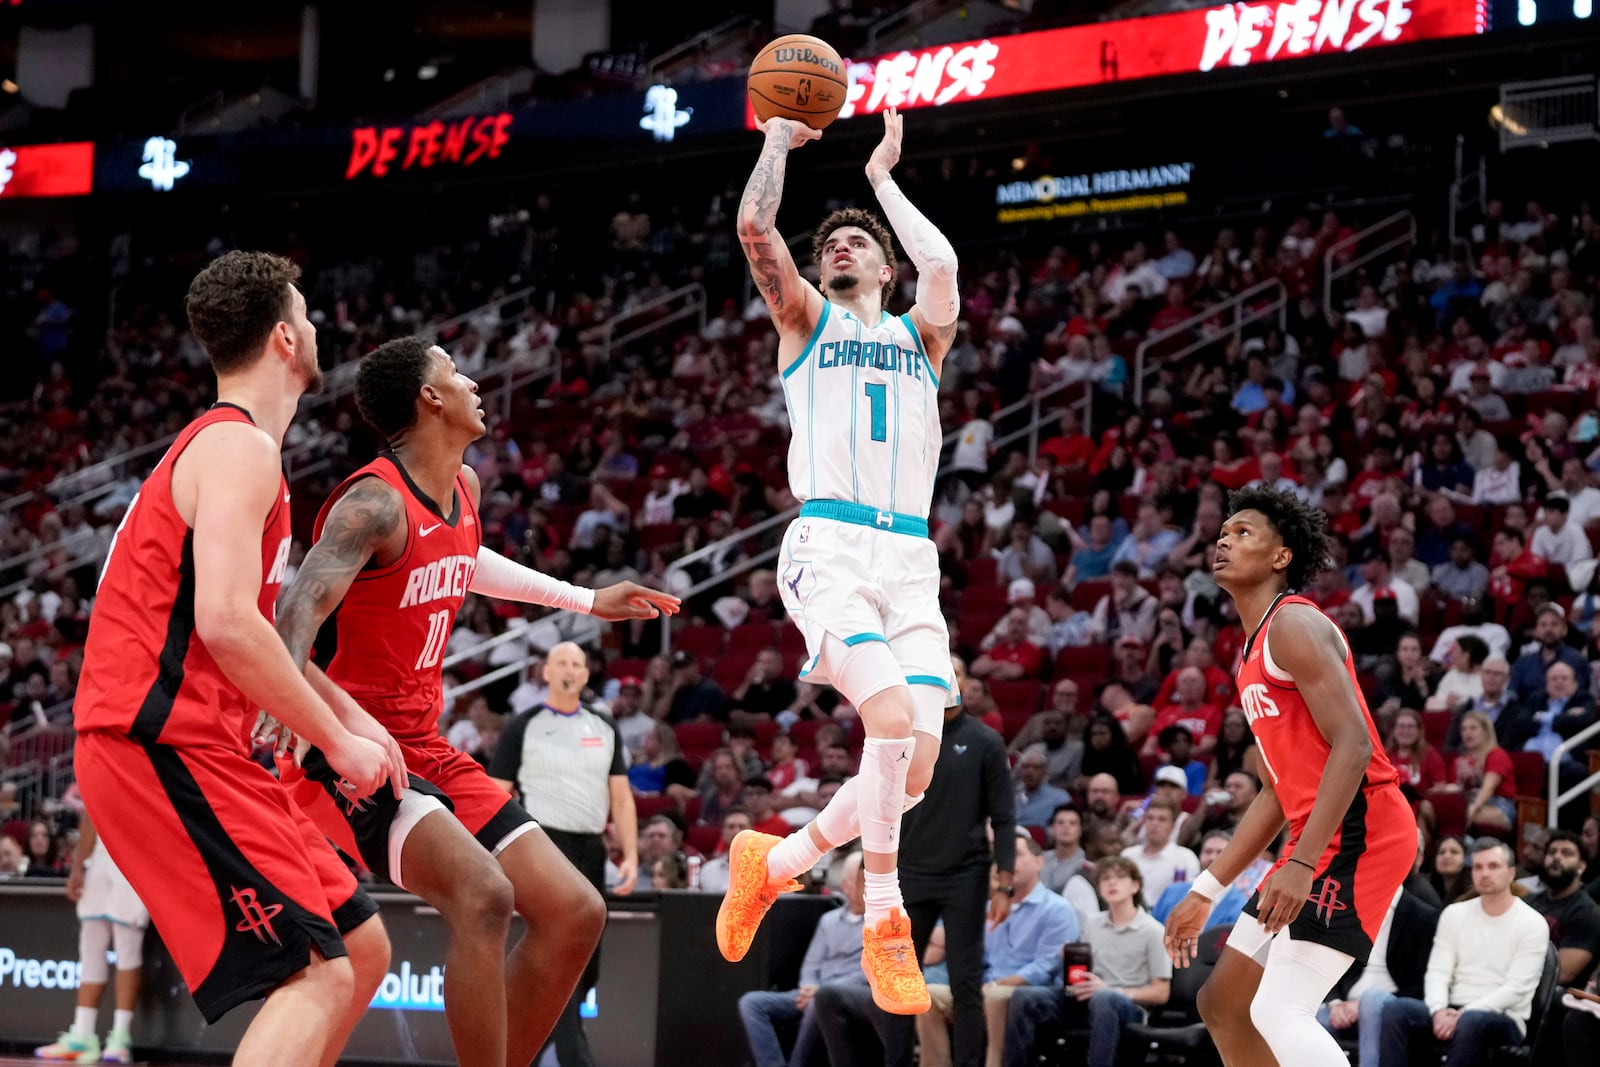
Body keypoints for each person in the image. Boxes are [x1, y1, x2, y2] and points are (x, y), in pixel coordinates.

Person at [265, 335, 678, 1067]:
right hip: (353, 748)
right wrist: (288, 704)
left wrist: (585, 598)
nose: (471, 382)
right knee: (484, 895)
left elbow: (464, 557)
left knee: (575, 911)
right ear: (429, 397)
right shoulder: (372, 501)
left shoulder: (464, 492)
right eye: (454, 371)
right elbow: (297, 606)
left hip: (427, 742)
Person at [72, 252, 401, 1067]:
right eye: (310, 315)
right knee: (314, 978)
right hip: (156, 739)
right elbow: (224, 623)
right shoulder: (237, 449)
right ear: (286, 338)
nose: (321, 327)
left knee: (361, 953)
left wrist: (355, 718)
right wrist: (333, 738)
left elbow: (250, 626)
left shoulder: (237, 453)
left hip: (204, 741)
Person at [717, 106, 962, 1016]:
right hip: (829, 543)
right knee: (891, 721)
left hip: (909, 557)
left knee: (921, 762)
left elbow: (940, 267)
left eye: (858, 242)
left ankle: (772, 862)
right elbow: (755, 228)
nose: (841, 249)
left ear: (883, 265)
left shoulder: (920, 334)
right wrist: (777, 143)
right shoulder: (807, 322)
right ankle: (884, 917)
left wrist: (882, 184)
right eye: (833, 247)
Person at [1163, 486, 1418, 1067]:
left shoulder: (1294, 624)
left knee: (1280, 1009)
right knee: (1224, 1001)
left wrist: (1301, 864)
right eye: (1223, 532)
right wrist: (1206, 892)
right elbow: (1276, 790)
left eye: (1244, 532)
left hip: (1361, 830)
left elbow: (1353, 745)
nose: (1225, 539)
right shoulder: (1250, 652)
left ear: (1282, 556)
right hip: (1314, 835)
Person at [807, 694, 1016, 1067]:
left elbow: (1003, 816)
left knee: (965, 983)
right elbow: (875, 798)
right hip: (909, 872)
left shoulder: (986, 741)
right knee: (895, 981)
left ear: (963, 684)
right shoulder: (908, 735)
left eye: (957, 671)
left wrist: (1005, 881)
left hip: (965, 874)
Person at [488, 641, 640, 1067]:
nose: (570, 670)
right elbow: (497, 794)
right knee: (559, 948)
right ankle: (574, 1058)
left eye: (577, 663)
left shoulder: (604, 727)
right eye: (561, 663)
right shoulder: (524, 725)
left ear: (587, 675)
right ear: (546, 672)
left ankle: (527, 1052)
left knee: (587, 965)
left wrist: (630, 854)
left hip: (591, 849)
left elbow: (622, 799)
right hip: (540, 846)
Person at [1378, 839, 1551, 1067]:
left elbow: (1517, 988)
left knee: (1471, 1021)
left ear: (1511, 873)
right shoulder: (1454, 914)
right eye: (1477, 867)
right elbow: (1438, 972)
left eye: (1493, 866)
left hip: (1504, 1017)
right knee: (1395, 1009)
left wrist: (1464, 1013)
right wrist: (1438, 1010)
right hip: (1452, 1008)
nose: (1484, 873)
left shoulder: (1532, 923)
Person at [916, 829, 1078, 1067]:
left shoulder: (1057, 908)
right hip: (987, 987)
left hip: (1034, 993)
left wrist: (998, 985)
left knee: (995, 997)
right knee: (928, 996)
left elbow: (1047, 966)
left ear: (1039, 861)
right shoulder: (990, 908)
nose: (1009, 862)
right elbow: (974, 956)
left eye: (1018, 854)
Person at [1002, 857, 1172, 1067]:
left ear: (1135, 886)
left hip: (1128, 1006)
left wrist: (1112, 989)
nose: (1112, 883)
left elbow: (1161, 993)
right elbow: (1082, 972)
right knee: (1025, 996)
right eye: (1105, 879)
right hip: (1088, 997)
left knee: (1104, 998)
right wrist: (1070, 960)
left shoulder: (1153, 931)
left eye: (1119, 877)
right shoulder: (1093, 923)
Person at [33, 814, 148, 1064]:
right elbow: (91, 815)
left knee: (128, 949)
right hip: (100, 860)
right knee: (91, 947)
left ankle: (120, 1037)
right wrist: (78, 867)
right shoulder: (95, 775)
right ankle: (83, 1034)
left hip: (136, 857)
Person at [737, 852, 868, 1067]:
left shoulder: (878, 924)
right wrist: (810, 986)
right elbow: (812, 964)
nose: (866, 889)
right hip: (811, 993)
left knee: (821, 1000)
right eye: (860, 882)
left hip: (846, 995)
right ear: (846, 887)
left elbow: (867, 972)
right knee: (752, 1003)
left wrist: (822, 991)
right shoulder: (829, 920)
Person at [1525, 829, 1600, 987]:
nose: (1557, 857)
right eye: (1552, 852)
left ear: (1581, 867)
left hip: (1555, 998)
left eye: (1566, 853)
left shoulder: (1586, 913)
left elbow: (1562, 974)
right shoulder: (1527, 902)